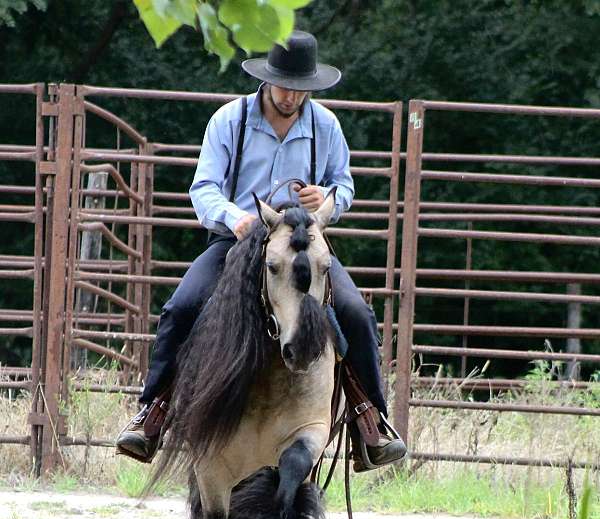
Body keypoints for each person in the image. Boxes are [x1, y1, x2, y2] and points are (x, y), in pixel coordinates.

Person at [116, 30, 406, 471]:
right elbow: (204, 188)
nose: (291, 96)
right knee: (182, 307)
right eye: (284, 85)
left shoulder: (325, 125)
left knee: (356, 313)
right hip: (236, 242)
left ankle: (371, 421)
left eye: (300, 88)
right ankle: (152, 412)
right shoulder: (229, 120)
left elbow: (344, 185)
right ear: (268, 80)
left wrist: (325, 200)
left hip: (302, 247)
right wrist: (238, 219)